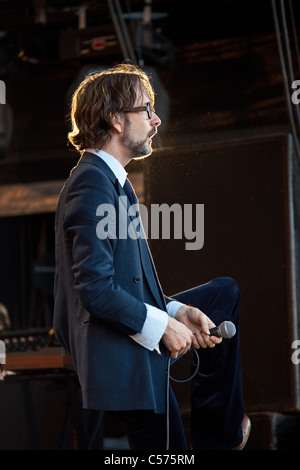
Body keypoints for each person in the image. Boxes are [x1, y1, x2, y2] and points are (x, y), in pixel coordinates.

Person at [53, 63, 250, 450]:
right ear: (116, 121)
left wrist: (175, 313)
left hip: (133, 346)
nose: (156, 120)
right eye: (146, 109)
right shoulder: (92, 185)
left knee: (222, 295)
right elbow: (95, 290)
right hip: (124, 363)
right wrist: (162, 328)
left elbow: (127, 284)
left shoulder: (111, 182)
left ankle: (220, 436)